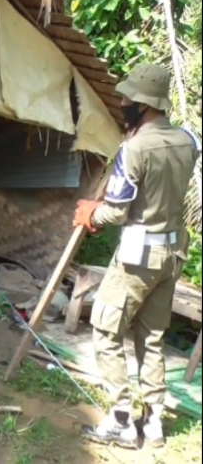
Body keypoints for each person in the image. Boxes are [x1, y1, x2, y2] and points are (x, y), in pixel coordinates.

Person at [74, 63, 201, 449]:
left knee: (106, 329)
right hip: (172, 253)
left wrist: (91, 213)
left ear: (145, 104)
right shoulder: (189, 140)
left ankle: (121, 421)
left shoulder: (135, 149)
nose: (123, 103)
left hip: (138, 258)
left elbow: (117, 212)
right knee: (152, 336)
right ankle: (154, 423)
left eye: (129, 98)